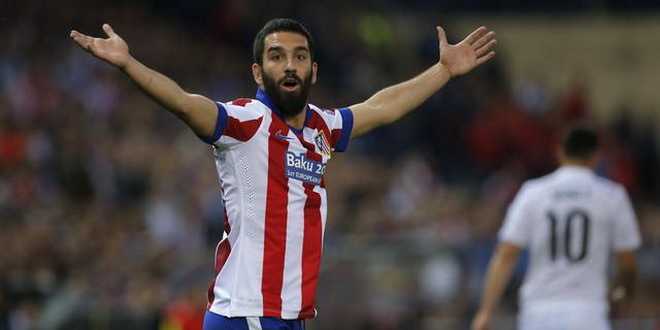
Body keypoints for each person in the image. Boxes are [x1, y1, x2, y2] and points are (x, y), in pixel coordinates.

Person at [70, 18, 496, 330]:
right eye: (276, 56)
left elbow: (383, 107)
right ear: (258, 72)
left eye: (299, 56)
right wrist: (128, 65)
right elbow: (184, 103)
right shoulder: (245, 122)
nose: (289, 66)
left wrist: (443, 71)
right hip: (249, 311)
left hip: (286, 315)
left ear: (313, 70)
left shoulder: (321, 127)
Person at [471, 126, 641, 330]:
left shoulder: (533, 193)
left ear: (560, 151)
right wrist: (621, 297)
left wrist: (486, 311)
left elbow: (506, 254)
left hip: (540, 309)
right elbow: (627, 260)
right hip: (588, 310)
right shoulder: (612, 196)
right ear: (596, 156)